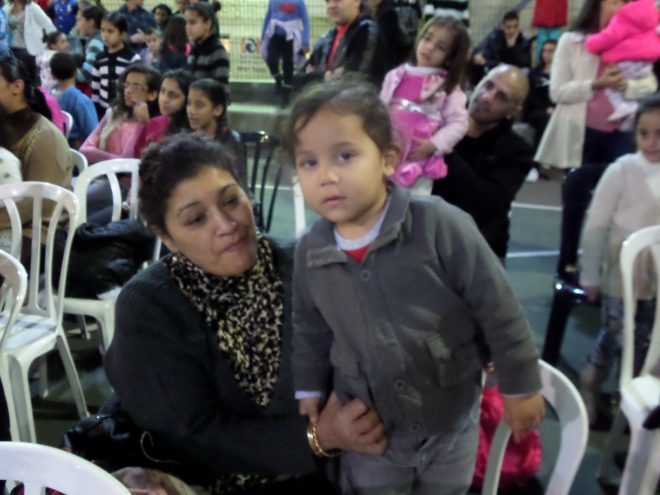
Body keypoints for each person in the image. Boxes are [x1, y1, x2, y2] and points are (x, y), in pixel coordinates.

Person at [283, 79, 544, 495]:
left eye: (345, 156)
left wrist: (521, 383)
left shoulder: (439, 224)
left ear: (388, 159)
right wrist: (309, 386)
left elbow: (497, 305)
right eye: (308, 162)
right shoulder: (310, 252)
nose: (327, 176)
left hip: (451, 420)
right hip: (373, 429)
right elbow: (308, 327)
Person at [104, 131, 389, 494]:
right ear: (168, 237)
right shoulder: (150, 307)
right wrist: (319, 437)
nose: (226, 225)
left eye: (231, 200)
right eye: (196, 219)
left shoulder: (307, 266)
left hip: (330, 474)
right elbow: (191, 438)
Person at [534, 0, 657, 285]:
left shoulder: (635, 40)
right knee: (574, 204)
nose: (620, 9)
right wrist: (596, 84)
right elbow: (557, 92)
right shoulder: (572, 42)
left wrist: (627, 86)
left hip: (621, 134)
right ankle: (566, 268)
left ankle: (611, 271)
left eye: (625, 2)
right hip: (581, 134)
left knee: (620, 207)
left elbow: (649, 85)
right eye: (614, 2)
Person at [578, 94, 660, 425]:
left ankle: (629, 397)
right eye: (644, 133)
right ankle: (591, 384)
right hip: (621, 271)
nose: (651, 142)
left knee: (645, 338)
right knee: (617, 332)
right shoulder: (622, 170)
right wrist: (589, 275)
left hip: (655, 275)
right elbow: (596, 226)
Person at [431, 65, 533, 261]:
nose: (487, 97)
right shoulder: (441, 120)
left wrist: (446, 149)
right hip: (426, 235)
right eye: (488, 85)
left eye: (501, 96)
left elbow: (483, 201)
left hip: (476, 249)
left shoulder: (518, 151)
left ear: (513, 111)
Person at [380, 14, 469, 195]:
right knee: (381, 197)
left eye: (440, 47)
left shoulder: (447, 86)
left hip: (418, 161)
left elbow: (459, 123)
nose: (429, 47)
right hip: (389, 152)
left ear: (450, 57)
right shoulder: (395, 76)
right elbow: (380, 109)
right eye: (427, 39)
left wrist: (434, 144)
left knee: (416, 203)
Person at [0, 55, 72, 232]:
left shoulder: (45, 137)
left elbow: (39, 201)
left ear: (17, 87)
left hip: (38, 233)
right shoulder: (4, 125)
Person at [584, 0, 660, 126]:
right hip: (647, 60)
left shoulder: (624, 17)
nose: (620, 6)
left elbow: (610, 36)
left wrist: (591, 43)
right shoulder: (651, 15)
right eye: (615, 2)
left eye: (623, 2)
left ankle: (623, 108)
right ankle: (630, 110)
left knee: (611, 89)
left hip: (626, 60)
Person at [295, 0, 386, 88]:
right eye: (327, 1)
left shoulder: (366, 31)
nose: (331, 5)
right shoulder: (325, 40)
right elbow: (297, 79)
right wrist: (326, 76)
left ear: (357, 1)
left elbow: (353, 81)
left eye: (338, 0)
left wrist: (314, 77)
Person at [82, 62, 160, 163]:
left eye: (136, 87)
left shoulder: (156, 126)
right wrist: (117, 161)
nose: (127, 91)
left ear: (152, 94)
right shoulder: (114, 114)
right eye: (126, 85)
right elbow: (85, 149)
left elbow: (132, 158)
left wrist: (143, 123)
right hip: (103, 171)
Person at [186, 78, 244, 186]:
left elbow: (239, 182)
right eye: (189, 103)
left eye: (199, 105)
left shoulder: (231, 140)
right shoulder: (188, 142)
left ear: (217, 110)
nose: (191, 111)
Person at [133, 68, 192, 157]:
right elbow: (137, 156)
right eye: (162, 91)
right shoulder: (154, 123)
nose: (164, 99)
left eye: (173, 95)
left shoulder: (193, 130)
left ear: (187, 99)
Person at [91, 11, 140, 117]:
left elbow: (137, 87)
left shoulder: (133, 59)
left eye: (110, 31)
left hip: (125, 112)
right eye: (102, 30)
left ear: (122, 34)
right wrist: (95, 111)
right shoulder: (99, 58)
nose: (105, 35)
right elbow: (95, 87)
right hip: (102, 112)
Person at [260, 0, 309, 107]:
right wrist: (263, 36)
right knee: (271, 59)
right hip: (275, 35)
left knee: (288, 64)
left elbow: (305, 21)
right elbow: (268, 17)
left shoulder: (299, 2)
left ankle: (286, 93)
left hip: (291, 37)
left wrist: (305, 42)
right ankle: (278, 78)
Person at [470, 10, 531, 86]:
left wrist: (512, 48)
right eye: (508, 27)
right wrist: (483, 60)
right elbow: (484, 55)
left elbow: (524, 65)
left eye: (515, 27)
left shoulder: (524, 42)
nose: (512, 31)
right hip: (496, 72)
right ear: (503, 27)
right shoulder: (495, 38)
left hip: (515, 76)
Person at [50, 51, 98, 147]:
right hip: (75, 151)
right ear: (76, 72)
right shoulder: (82, 101)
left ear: (52, 75)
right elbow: (93, 134)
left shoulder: (48, 98)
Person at [185, 2, 229, 95]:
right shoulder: (194, 49)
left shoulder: (217, 51)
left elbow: (221, 91)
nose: (187, 27)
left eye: (193, 23)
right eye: (187, 23)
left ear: (207, 24)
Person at [3, 0, 56, 75]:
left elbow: (49, 26)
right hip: (10, 49)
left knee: (29, 77)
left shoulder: (32, 7)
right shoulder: (7, 8)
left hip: (29, 51)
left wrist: (48, 45)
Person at [523, 38, 556, 151]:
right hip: (535, 110)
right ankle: (539, 154)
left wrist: (555, 109)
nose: (546, 54)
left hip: (556, 110)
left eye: (550, 51)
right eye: (544, 51)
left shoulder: (561, 74)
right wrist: (546, 108)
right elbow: (531, 96)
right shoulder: (534, 73)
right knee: (545, 119)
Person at [75, 4, 104, 87]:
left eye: (79, 20)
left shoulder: (95, 42)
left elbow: (84, 75)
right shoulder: (98, 37)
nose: (77, 24)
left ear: (91, 22)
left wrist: (64, 68)